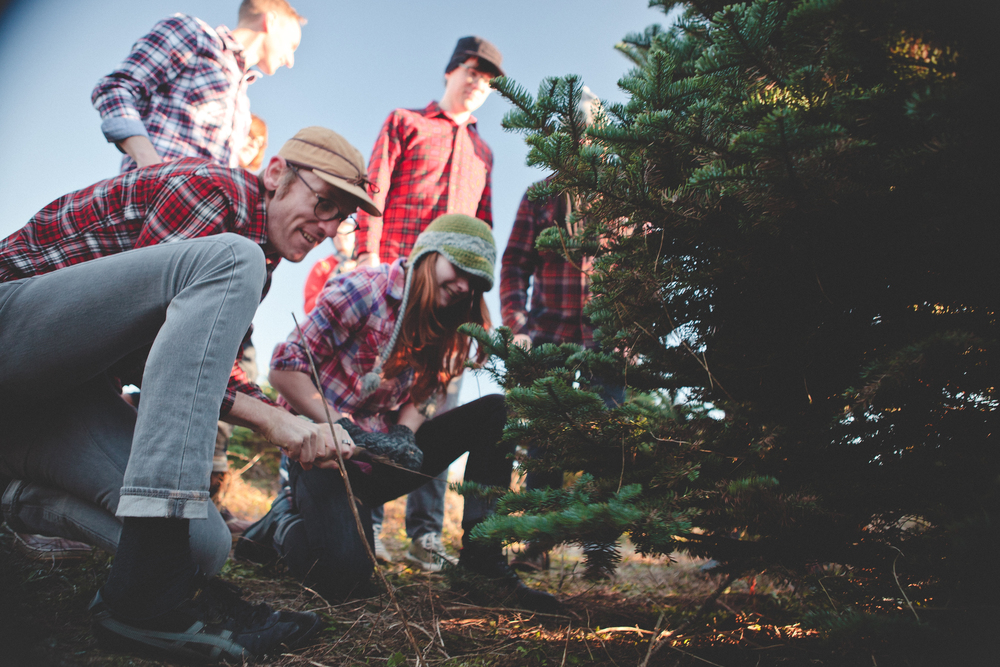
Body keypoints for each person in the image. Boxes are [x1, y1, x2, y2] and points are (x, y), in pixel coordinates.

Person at [0, 126, 381, 663]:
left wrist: (293, 420)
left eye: (341, 217)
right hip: (13, 341)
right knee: (234, 260)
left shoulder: (255, 261)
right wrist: (274, 424)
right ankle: (142, 603)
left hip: (51, 404)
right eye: (323, 203)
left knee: (204, 546)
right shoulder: (211, 192)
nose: (327, 227)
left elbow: (210, 370)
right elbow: (149, 354)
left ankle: (17, 495)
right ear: (276, 174)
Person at [236, 215, 561, 613]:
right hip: (326, 455)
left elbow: (427, 389)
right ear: (429, 253)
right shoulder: (362, 290)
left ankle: (482, 566)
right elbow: (284, 367)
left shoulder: (449, 320)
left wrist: (405, 434)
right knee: (346, 579)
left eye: (475, 282)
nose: (464, 286)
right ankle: (280, 524)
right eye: (460, 269)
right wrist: (338, 424)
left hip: (381, 453)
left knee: (496, 410)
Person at [352, 36, 505, 570]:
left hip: (448, 312)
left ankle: (425, 534)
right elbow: (375, 186)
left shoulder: (484, 153)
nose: (478, 82)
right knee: (372, 405)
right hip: (394, 286)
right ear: (450, 71)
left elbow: (483, 230)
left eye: (488, 79)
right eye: (472, 70)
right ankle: (361, 523)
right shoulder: (405, 122)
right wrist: (365, 257)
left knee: (432, 410)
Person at [498, 87, 625, 574]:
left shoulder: (619, 192)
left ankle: (600, 554)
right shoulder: (539, 196)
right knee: (545, 441)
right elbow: (513, 265)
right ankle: (538, 544)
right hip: (548, 338)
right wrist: (519, 323)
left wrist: (630, 333)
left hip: (605, 342)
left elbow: (639, 269)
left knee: (605, 442)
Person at [92, 0, 304, 173]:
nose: (291, 60)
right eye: (292, 45)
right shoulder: (195, 35)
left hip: (200, 219)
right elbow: (115, 88)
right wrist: (149, 163)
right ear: (271, 21)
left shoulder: (242, 102)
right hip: (151, 205)